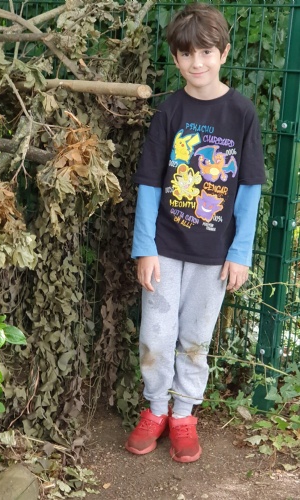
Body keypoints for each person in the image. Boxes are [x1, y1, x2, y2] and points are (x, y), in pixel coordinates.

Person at [125, 2, 266, 463]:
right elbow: (149, 182)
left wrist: (240, 252)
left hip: (214, 254)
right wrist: (144, 247)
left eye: (206, 52)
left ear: (224, 53)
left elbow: (249, 188)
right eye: (186, 54)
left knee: (195, 339)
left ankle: (184, 415)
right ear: (176, 57)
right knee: (156, 335)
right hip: (164, 248)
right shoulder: (170, 111)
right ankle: (156, 409)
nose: (197, 62)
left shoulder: (241, 113)